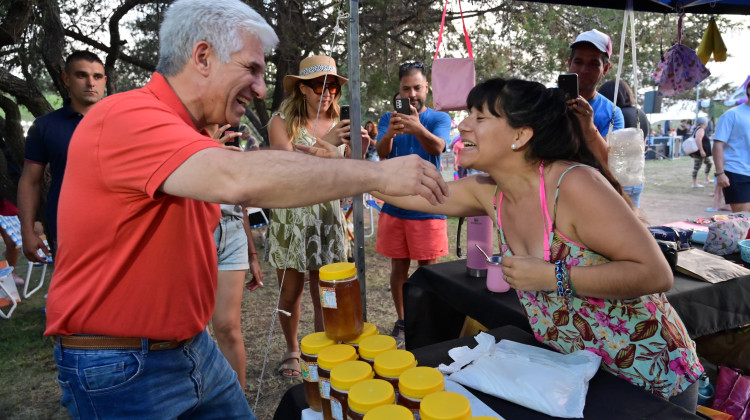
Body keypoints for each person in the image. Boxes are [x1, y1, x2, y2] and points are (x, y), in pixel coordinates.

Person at [43, 0, 448, 418]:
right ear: (203, 57)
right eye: (251, 69)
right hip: (123, 366)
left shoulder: (189, 130)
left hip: (189, 349)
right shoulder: (129, 115)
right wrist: (375, 175)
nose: (259, 87)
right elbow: (241, 179)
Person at [371, 78, 703, 411]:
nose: (463, 125)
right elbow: (408, 192)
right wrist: (344, 167)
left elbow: (655, 274)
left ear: (520, 135)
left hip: (648, 378)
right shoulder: (489, 192)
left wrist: (552, 277)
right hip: (579, 378)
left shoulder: (573, 184)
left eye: (480, 117)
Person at [267, 55, 362, 377]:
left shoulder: (343, 124)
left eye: (333, 86)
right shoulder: (281, 121)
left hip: (327, 217)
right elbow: (286, 167)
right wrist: (329, 142)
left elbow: (350, 175)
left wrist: (355, 149)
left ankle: (323, 348)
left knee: (325, 291)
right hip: (290, 217)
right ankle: (293, 350)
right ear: (303, 89)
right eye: (319, 86)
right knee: (289, 293)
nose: (328, 93)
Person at [375, 61, 451, 343]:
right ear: (399, 90)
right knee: (398, 268)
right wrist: (391, 132)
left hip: (428, 205)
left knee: (428, 270)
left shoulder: (438, 118)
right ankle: (404, 319)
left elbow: (438, 147)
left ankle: (428, 318)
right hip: (395, 206)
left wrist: (417, 127)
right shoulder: (388, 117)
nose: (412, 94)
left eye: (417, 87)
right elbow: (382, 152)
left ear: (426, 87)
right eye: (406, 88)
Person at [17, 50, 106, 261]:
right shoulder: (44, 127)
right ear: (66, 78)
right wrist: (27, 231)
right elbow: (30, 181)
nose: (91, 83)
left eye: (97, 77)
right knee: (78, 294)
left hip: (122, 229)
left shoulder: (125, 123)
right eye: (81, 75)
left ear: (105, 80)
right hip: (69, 232)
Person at [207, 123, 264, 391]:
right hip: (195, 230)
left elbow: (241, 205)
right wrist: (206, 151)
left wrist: (253, 255)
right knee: (196, 331)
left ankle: (238, 407)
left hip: (231, 232)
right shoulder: (180, 129)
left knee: (228, 328)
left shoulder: (230, 131)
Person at [566, 29, 624, 165]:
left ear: (605, 69)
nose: (584, 70)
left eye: (594, 64)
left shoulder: (613, 113)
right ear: (569, 64)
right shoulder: (547, 100)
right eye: (578, 62)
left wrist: (589, 127)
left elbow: (610, 162)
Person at [598, 79, 650, 210]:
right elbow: (643, 144)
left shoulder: (615, 116)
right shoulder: (640, 114)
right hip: (636, 176)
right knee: (634, 217)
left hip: (618, 178)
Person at [713, 81, 750, 212]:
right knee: (743, 221)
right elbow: (718, 144)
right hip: (737, 172)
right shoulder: (732, 114)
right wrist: (720, 173)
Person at [689, 117, 712, 188]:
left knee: (709, 163)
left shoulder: (698, 129)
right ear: (704, 122)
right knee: (697, 166)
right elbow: (698, 139)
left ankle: (707, 179)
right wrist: (701, 150)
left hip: (701, 152)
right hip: (699, 152)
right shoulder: (701, 129)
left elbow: (702, 139)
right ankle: (694, 183)